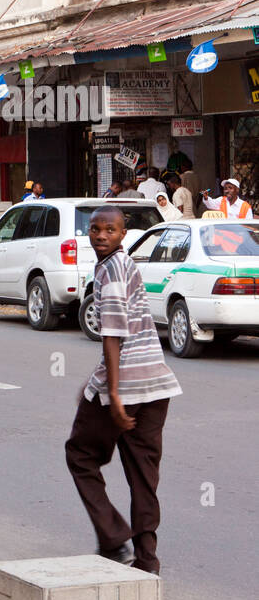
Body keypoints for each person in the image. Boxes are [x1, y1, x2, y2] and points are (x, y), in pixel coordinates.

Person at [64, 206, 180, 574]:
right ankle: (147, 562)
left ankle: (114, 539)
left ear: (123, 234)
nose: (101, 236)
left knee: (80, 455)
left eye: (109, 230)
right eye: (95, 230)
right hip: (156, 383)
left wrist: (113, 394)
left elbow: (113, 333)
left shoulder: (109, 270)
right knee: (143, 477)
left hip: (126, 385)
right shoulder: (127, 264)